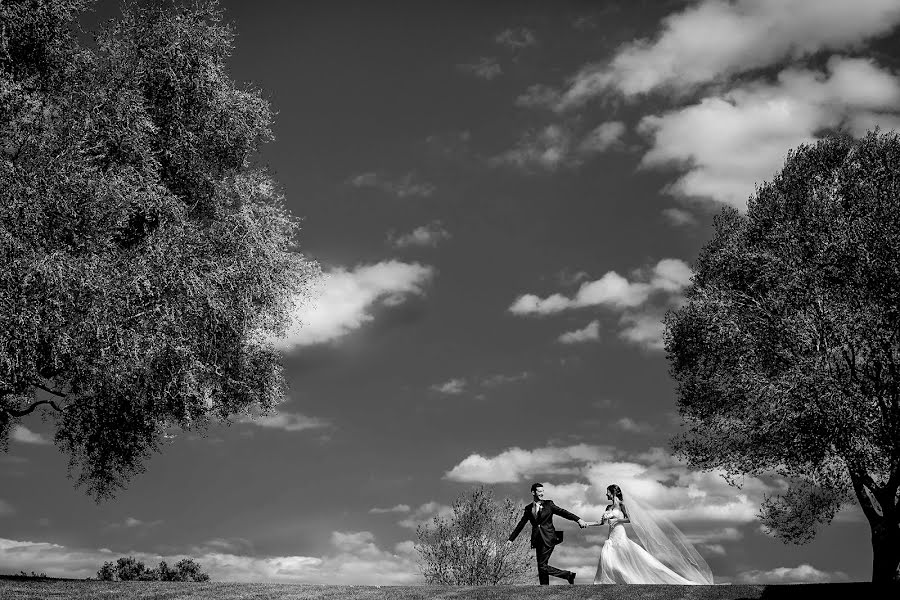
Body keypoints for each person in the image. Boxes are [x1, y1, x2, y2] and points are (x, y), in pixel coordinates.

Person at [583, 484, 714, 584]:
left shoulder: (622, 506)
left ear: (612, 493)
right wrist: (586, 523)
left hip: (620, 534)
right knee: (608, 557)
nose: (606, 494)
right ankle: (610, 581)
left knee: (629, 558)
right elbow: (601, 522)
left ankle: (629, 578)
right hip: (611, 536)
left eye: (607, 492)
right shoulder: (608, 508)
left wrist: (618, 519)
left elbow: (631, 519)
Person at [507, 482, 587, 585]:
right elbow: (521, 524)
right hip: (537, 539)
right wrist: (511, 539)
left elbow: (564, 512)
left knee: (542, 566)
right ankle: (545, 589)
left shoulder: (549, 504)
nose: (542, 493)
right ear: (533, 492)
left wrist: (578, 519)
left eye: (543, 491)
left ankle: (567, 575)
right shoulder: (528, 508)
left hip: (549, 537)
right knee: (541, 566)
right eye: (539, 491)